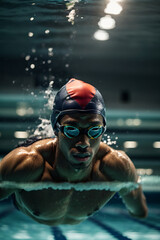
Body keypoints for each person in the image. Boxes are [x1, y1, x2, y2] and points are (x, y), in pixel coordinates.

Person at [0, 78, 148, 226]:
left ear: (103, 129)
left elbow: (140, 212)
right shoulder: (26, 163)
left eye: (94, 130)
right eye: (72, 129)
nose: (84, 143)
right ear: (56, 128)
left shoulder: (117, 167)